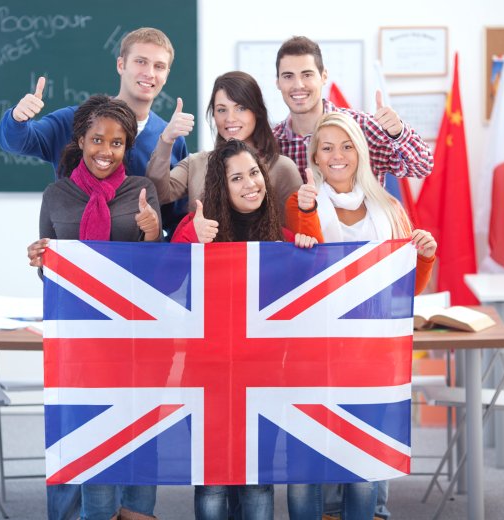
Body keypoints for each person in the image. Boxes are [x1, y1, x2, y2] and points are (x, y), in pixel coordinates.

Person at [285, 112, 436, 520]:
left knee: (363, 464)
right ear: (314, 154)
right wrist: (305, 211)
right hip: (311, 353)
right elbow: (296, 274)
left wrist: (424, 256)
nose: (338, 156)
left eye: (347, 146)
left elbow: (407, 287)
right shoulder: (300, 202)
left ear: (361, 152)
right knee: (306, 464)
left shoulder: (388, 207)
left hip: (370, 355)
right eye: (328, 147)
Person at [29, 95, 161, 520]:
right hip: (78, 333)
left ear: (127, 147)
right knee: (77, 426)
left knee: (137, 425)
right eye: (97, 140)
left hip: (133, 334)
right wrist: (40, 260)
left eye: (117, 143)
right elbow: (51, 272)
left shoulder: (142, 191)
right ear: (81, 141)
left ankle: (135, 510)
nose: (106, 151)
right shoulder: (56, 195)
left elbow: (158, 270)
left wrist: (153, 233)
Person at [171, 138, 317, 519]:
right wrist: (191, 240)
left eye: (254, 173)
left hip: (262, 379)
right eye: (237, 178)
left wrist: (304, 249)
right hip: (207, 378)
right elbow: (165, 277)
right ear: (222, 185)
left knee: (256, 480)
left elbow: (308, 297)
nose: (250, 183)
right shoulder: (197, 226)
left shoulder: (281, 239)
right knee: (213, 482)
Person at [0, 27, 191, 235]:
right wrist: (17, 119)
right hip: (75, 258)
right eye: (140, 61)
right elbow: (17, 142)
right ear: (121, 64)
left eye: (159, 66)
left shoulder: (171, 139)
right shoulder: (75, 120)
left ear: (166, 75)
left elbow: (175, 219)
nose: (150, 73)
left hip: (137, 263)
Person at [272, 36, 433, 186]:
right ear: (278, 82)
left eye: (307, 74)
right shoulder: (271, 142)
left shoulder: (362, 126)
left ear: (324, 76)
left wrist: (399, 133)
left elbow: (423, 167)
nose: (298, 84)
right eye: (288, 76)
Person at [147, 71, 302, 223]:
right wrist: (166, 140)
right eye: (222, 110)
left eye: (240, 108)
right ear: (213, 114)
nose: (230, 118)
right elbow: (157, 193)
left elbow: (297, 229)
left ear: (257, 111)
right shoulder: (196, 164)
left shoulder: (282, 168)